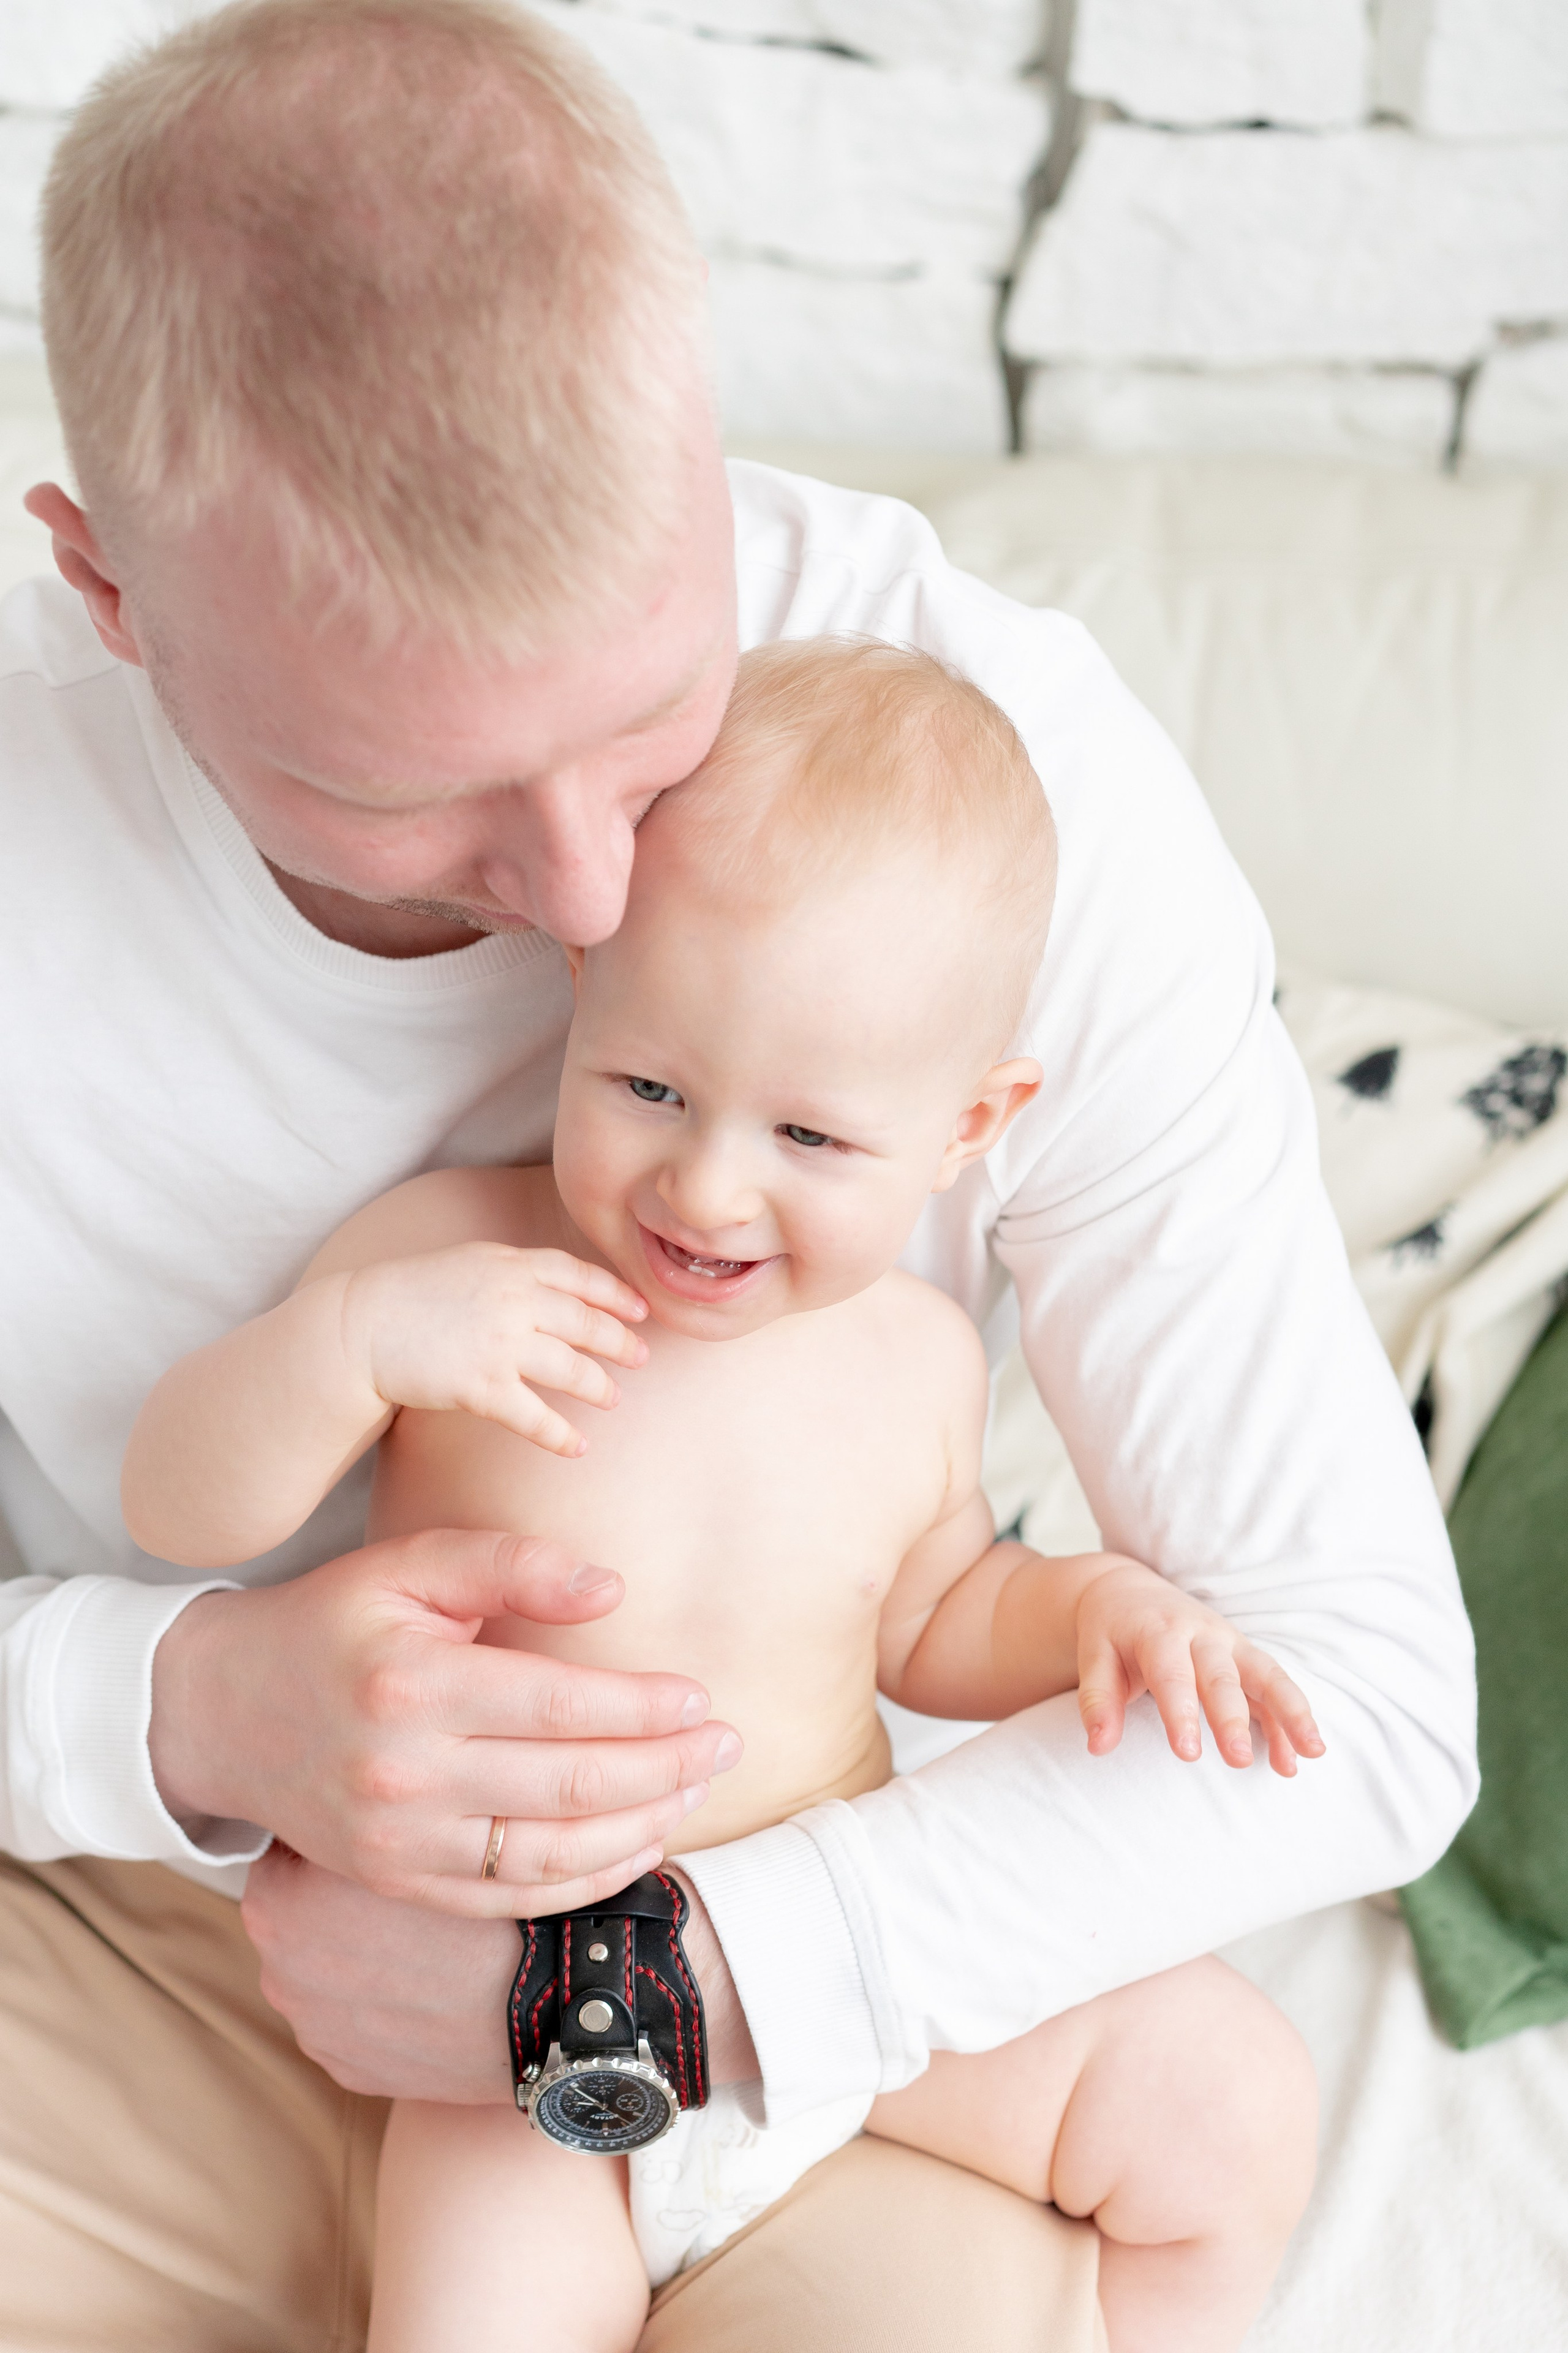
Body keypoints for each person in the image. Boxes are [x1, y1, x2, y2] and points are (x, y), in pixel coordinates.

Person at [0, 2, 1474, 2347]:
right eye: (420, 800)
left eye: (640, 712)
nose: (596, 901)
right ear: (108, 593)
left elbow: (1365, 1701)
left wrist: (640, 1977)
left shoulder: (991, 794)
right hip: (144, 1896)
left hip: (807, 1942)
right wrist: (190, 1706)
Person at [122, 639, 1323, 2353]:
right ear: (578, 995)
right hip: (502, 2028)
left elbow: (936, 1610)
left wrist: (1098, 1614)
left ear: (969, 1123)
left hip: (820, 1984)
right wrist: (346, 1347)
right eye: (651, 1086)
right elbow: (183, 1505)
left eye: (812, 1139)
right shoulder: (450, 1261)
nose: (706, 1183)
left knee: (1235, 2097)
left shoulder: (915, 1355)